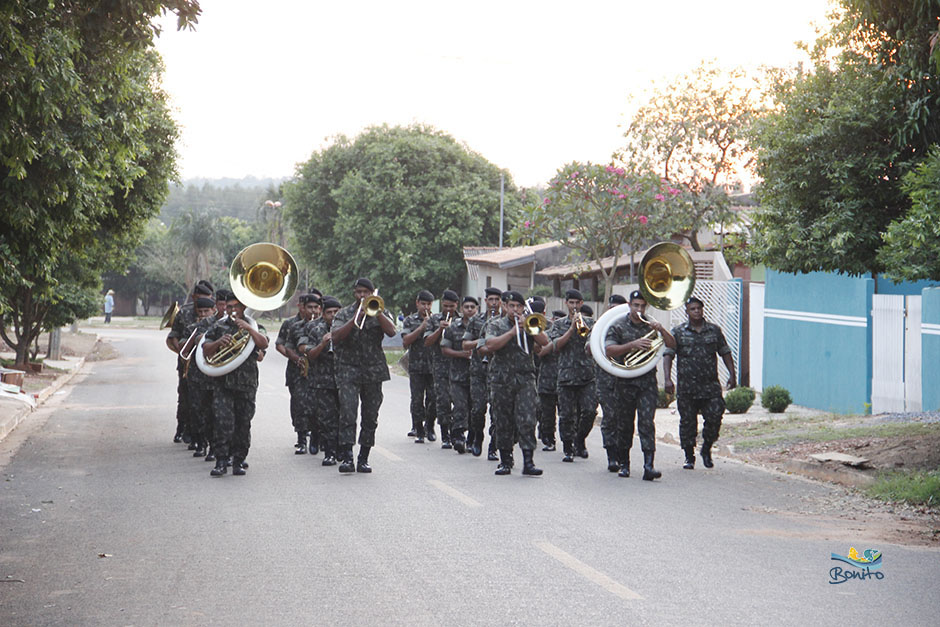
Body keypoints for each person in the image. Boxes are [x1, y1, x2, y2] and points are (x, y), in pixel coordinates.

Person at [604, 290, 676, 481]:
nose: (639, 309)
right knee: (625, 425)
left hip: (646, 383)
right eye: (636, 305)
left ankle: (648, 466)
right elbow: (609, 350)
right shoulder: (618, 326)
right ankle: (624, 464)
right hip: (624, 382)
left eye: (643, 306)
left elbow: (672, 344)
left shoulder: (650, 326)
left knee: (646, 423)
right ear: (629, 305)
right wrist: (632, 345)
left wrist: (661, 329)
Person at [330, 278, 397, 473]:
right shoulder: (344, 314)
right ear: (354, 293)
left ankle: (364, 457)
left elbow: (392, 332)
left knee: (370, 416)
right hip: (348, 369)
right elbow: (335, 336)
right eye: (359, 292)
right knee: (348, 413)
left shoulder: (380, 310)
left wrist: (378, 312)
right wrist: (355, 319)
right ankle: (347, 457)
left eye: (366, 293)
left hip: (373, 371)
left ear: (371, 294)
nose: (362, 296)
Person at [663, 296, 736, 469]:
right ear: (686, 312)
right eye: (693, 309)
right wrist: (667, 379)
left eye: (699, 308)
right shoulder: (678, 332)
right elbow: (668, 355)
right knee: (687, 423)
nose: (696, 311)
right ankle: (689, 456)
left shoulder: (714, 331)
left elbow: (725, 352)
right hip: (687, 387)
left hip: (710, 386)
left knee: (715, 416)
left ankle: (707, 448)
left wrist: (732, 374)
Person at [202, 292, 269, 477]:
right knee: (223, 423)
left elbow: (264, 344)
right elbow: (205, 350)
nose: (232, 310)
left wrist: (249, 328)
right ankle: (221, 461)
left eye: (236, 307)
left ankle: (238, 461)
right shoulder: (218, 326)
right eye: (229, 307)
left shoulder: (255, 326)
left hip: (246, 384)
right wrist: (218, 343)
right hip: (223, 383)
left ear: (243, 308)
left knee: (243, 423)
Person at [484, 290, 550, 476]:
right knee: (503, 420)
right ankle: (505, 460)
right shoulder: (496, 324)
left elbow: (544, 342)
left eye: (518, 306)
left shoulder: (529, 324)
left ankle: (528, 462)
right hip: (501, 380)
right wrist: (512, 332)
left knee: (528, 418)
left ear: (523, 308)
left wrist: (529, 328)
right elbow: (490, 345)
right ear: (505, 306)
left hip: (525, 379)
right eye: (511, 306)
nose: (515, 310)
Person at [545, 289, 598, 463]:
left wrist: (583, 328)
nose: (574, 306)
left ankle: (580, 439)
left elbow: (593, 344)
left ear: (581, 304)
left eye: (577, 303)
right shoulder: (559, 324)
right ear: (566, 304)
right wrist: (570, 329)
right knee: (566, 415)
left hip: (587, 376)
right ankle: (568, 447)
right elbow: (555, 346)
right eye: (571, 303)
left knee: (590, 411)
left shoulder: (591, 322)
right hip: (566, 376)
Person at [166, 280, 214, 444]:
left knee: (203, 401)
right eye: (201, 297)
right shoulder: (184, 313)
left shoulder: (213, 316)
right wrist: (182, 353)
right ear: (194, 297)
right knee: (186, 398)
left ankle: (199, 434)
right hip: (188, 363)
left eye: (208, 298)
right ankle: (182, 428)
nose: (203, 302)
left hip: (208, 364)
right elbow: (173, 337)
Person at [299, 296, 342, 466]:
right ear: (323, 314)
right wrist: (323, 344)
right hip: (322, 381)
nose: (333, 315)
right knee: (326, 417)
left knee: (344, 416)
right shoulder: (313, 329)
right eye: (329, 312)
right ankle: (330, 452)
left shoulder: (347, 328)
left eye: (336, 312)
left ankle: (343, 449)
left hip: (344, 379)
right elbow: (309, 354)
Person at [461, 286, 501, 457]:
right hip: (478, 370)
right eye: (490, 300)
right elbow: (465, 344)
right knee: (477, 409)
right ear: (485, 301)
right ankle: (478, 437)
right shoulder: (476, 320)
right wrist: (481, 341)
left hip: (496, 372)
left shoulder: (502, 322)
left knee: (496, 411)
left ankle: (493, 446)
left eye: (496, 300)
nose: (493, 303)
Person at [276, 295, 316, 454]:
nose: (313, 311)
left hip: (319, 373)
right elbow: (283, 346)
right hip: (297, 372)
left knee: (317, 406)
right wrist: (296, 359)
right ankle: (301, 439)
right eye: (309, 307)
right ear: (302, 307)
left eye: (316, 307)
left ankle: (316, 436)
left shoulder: (324, 325)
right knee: (299, 405)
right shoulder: (292, 325)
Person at [178, 296, 217, 458]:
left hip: (215, 374)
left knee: (214, 412)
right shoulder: (193, 328)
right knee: (197, 410)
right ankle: (201, 443)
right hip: (196, 375)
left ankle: (214, 446)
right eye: (200, 311)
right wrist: (195, 339)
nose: (203, 314)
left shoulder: (220, 327)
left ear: (213, 310)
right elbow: (183, 348)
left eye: (206, 311)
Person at [441, 296, 478, 454]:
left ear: (477, 309)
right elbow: (444, 349)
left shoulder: (482, 326)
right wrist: (461, 354)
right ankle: (457, 436)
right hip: (457, 375)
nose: (469, 309)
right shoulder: (452, 327)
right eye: (466, 307)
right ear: (461, 309)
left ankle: (472, 439)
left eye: (472, 307)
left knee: (474, 409)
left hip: (477, 375)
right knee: (460, 406)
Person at [423, 289, 459, 448]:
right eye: (445, 306)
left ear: (456, 305)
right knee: (442, 400)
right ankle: (445, 434)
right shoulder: (434, 319)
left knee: (458, 401)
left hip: (459, 367)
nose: (448, 309)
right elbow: (427, 342)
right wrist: (439, 329)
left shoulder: (461, 320)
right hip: (439, 366)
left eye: (451, 306)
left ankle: (456, 431)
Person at [400, 291, 436, 443]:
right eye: (423, 304)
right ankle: (418, 428)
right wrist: (421, 328)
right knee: (417, 399)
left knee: (433, 398)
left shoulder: (436, 319)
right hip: (416, 365)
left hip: (433, 366)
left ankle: (430, 426)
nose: (425, 307)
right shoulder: (410, 320)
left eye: (428, 304)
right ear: (417, 303)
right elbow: (406, 341)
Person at [597, 294, 628, 472]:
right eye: (612, 308)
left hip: (627, 378)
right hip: (605, 379)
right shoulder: (600, 327)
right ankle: (611, 456)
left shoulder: (631, 327)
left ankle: (623, 455)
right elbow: (588, 348)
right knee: (610, 416)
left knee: (624, 418)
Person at [535, 307, 562, 452]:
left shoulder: (560, 331)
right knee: (547, 412)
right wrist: (557, 342)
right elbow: (541, 352)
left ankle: (571, 442)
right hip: (546, 377)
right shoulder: (544, 333)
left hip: (563, 377)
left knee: (566, 413)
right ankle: (549, 439)